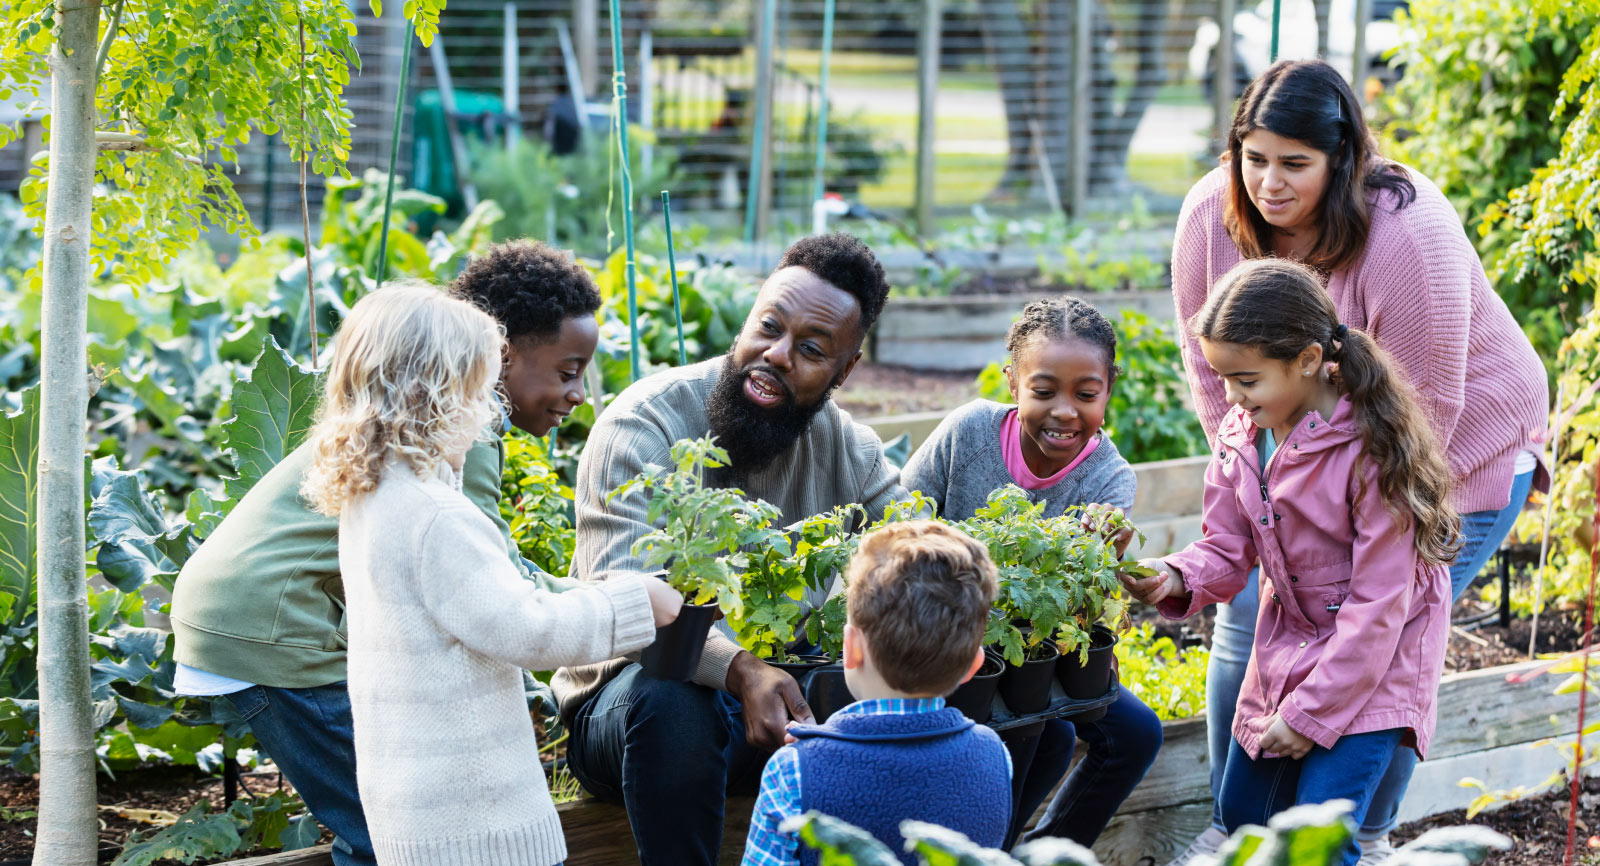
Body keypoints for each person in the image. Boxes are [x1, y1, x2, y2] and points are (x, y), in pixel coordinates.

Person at [1167, 59, 1548, 865]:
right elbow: (1214, 375)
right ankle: (1237, 825)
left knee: (1384, 635)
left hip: (1452, 453)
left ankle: (1362, 836)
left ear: (1343, 160)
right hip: (1306, 453)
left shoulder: (1407, 235)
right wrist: (1257, 491)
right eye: (1254, 157)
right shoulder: (1210, 214)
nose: (1269, 183)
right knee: (1247, 623)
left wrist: (1334, 517)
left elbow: (1428, 409)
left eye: (1295, 165)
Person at [170, 240, 605, 866]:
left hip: (251, 613)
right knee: (402, 826)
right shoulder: (461, 434)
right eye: (567, 372)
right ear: (496, 357)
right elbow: (496, 582)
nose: (580, 394)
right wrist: (607, 607)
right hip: (275, 624)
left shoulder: (415, 426)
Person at [299, 283, 682, 866]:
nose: (489, 411)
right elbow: (525, 628)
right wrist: (634, 602)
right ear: (440, 396)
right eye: (480, 393)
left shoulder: (375, 495)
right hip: (477, 823)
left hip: (417, 808)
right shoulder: (437, 517)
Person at [553, 233, 904, 866]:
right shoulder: (646, 424)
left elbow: (915, 557)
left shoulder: (852, 452)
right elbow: (627, 607)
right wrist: (740, 668)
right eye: (768, 328)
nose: (776, 355)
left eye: (811, 349)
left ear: (845, 370)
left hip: (776, 712)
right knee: (673, 696)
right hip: (628, 714)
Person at [1122, 258, 1458, 866]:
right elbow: (1226, 548)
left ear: (1307, 360)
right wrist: (1176, 575)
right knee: (1248, 821)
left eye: (1246, 380)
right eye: (1223, 378)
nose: (1231, 396)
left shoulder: (1372, 451)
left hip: (1376, 662)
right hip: (1291, 646)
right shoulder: (1242, 436)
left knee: (1319, 836)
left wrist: (1309, 715)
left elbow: (1380, 606)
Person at [900, 296, 1161, 848]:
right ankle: (982, 851)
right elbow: (896, 524)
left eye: (1086, 395)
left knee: (1135, 735)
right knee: (1044, 732)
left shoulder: (1109, 478)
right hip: (943, 640)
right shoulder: (968, 434)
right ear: (1012, 382)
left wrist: (1104, 562)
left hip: (1040, 651)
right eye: (1044, 392)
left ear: (1109, 388)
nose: (1065, 411)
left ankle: (1036, 853)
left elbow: (1084, 599)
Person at [742, 520, 1012, 866]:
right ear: (974, 665)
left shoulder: (792, 770)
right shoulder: (995, 756)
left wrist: (812, 759)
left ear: (850, 646)